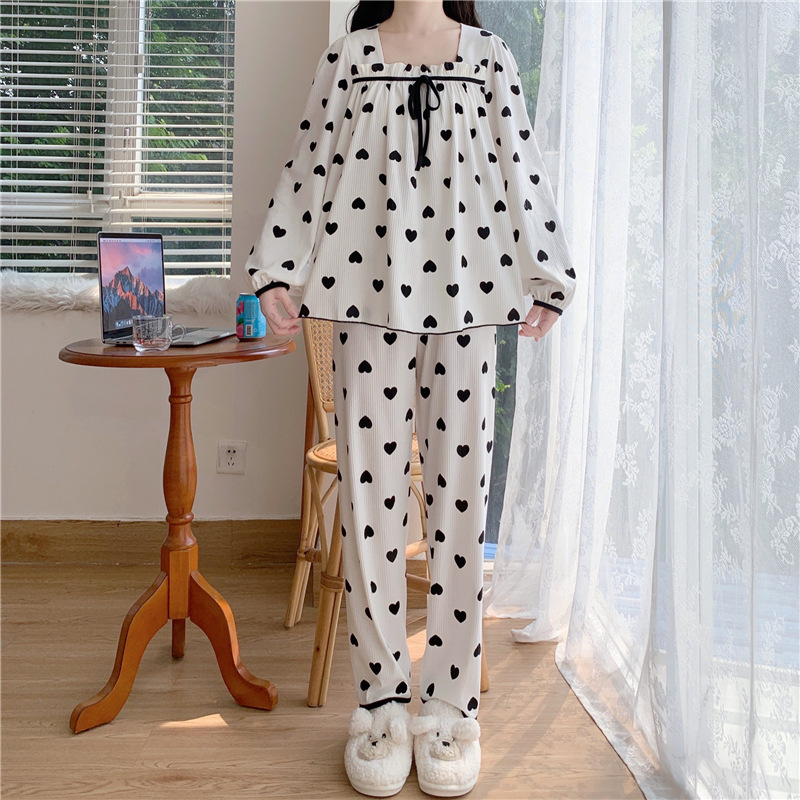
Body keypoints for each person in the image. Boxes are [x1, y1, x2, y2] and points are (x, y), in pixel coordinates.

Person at [246, 1, 576, 796]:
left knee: (462, 509)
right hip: (365, 304)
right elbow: (309, 163)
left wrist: (549, 274)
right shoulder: (350, 59)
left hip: (468, 304)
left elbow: (521, 166)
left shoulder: (489, 59)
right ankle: (381, 707)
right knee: (369, 511)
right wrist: (277, 268)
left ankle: (453, 710)